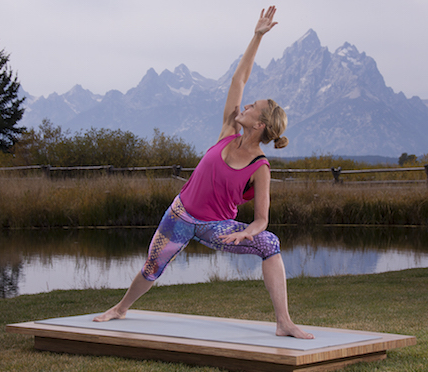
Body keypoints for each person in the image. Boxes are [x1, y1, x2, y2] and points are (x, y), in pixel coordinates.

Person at [93, 6, 313, 340]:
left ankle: (284, 321)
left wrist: (247, 233)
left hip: (217, 228)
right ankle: (121, 308)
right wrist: (257, 36)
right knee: (153, 266)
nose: (245, 106)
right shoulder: (228, 130)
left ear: (260, 124)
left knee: (269, 243)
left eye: (252, 107)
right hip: (179, 215)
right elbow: (240, 78)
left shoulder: (260, 167)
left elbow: (262, 219)